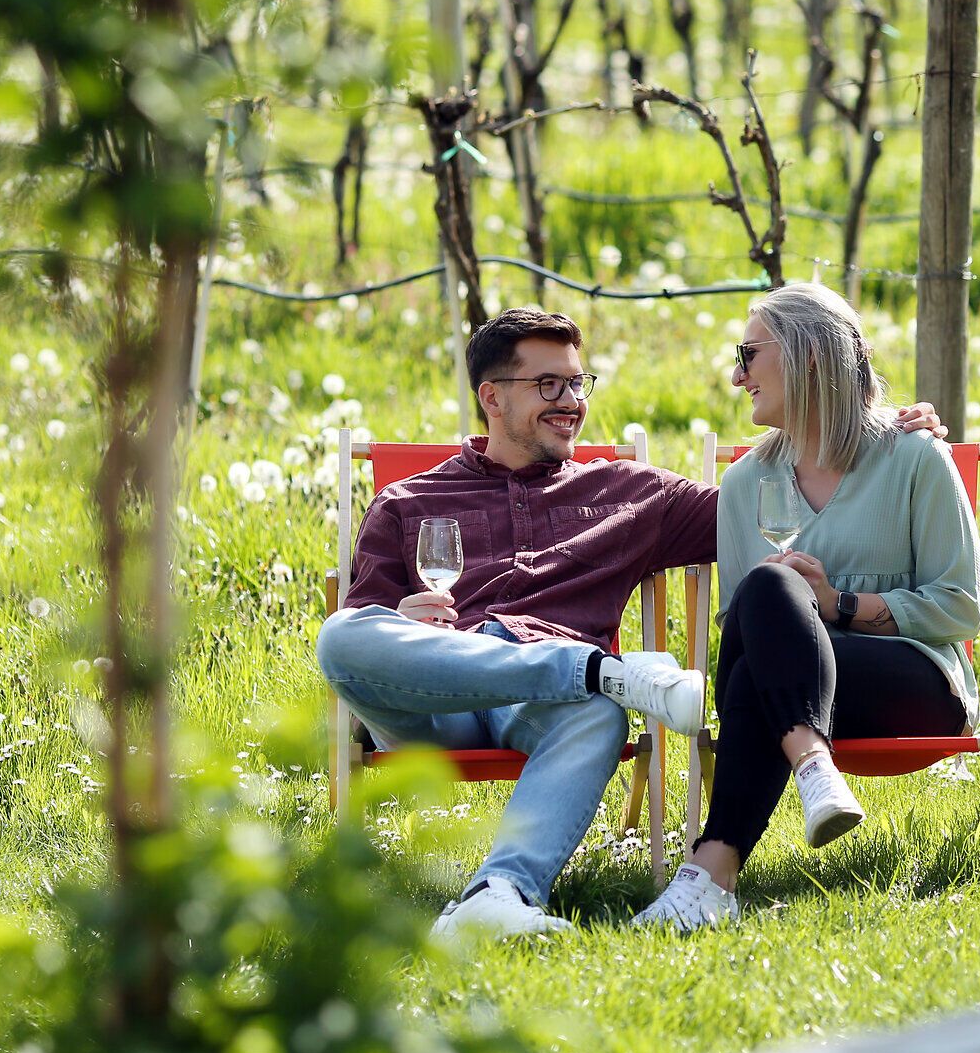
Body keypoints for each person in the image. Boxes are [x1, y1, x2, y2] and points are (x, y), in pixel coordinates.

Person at [315, 307, 943, 938]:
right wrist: (401, 615)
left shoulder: (631, 494)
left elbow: (787, 499)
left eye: (578, 384)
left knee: (598, 709)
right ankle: (601, 671)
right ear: (492, 398)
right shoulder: (408, 502)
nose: (570, 403)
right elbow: (369, 633)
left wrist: (877, 437)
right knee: (341, 637)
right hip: (438, 700)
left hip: (551, 707)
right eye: (549, 386)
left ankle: (498, 891)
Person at [633, 283, 980, 932]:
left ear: (808, 357)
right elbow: (744, 629)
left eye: (748, 353)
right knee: (766, 595)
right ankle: (802, 776)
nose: (737, 375)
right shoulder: (744, 485)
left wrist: (837, 604)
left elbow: (961, 607)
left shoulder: (914, 458)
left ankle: (709, 878)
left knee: (758, 649)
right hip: (803, 694)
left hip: (913, 682)